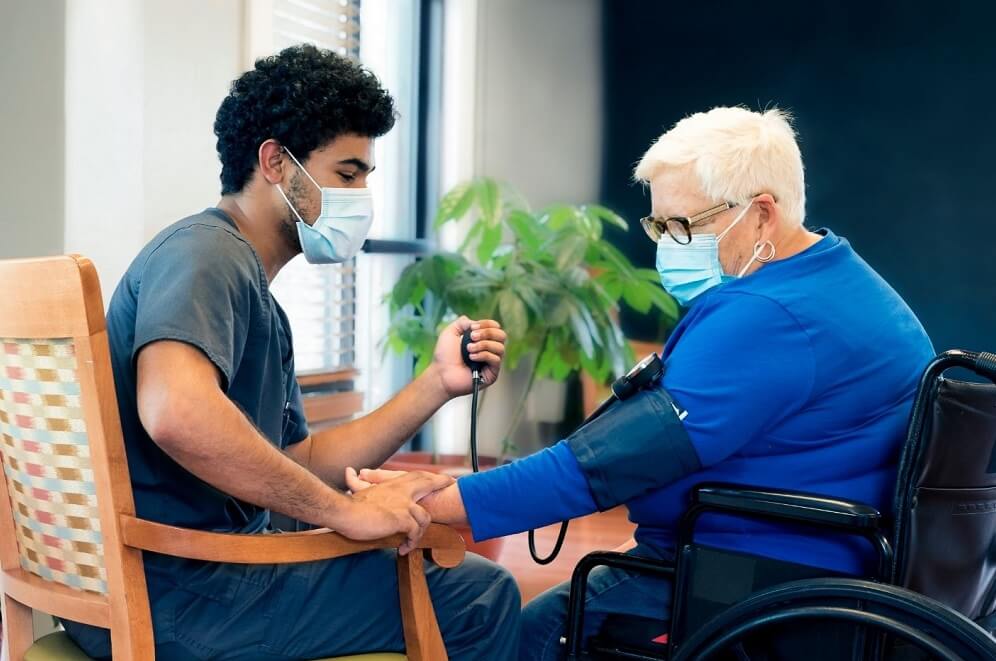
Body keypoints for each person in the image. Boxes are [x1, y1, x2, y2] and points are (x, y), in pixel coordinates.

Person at [348, 106, 935, 660]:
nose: (669, 245)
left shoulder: (771, 316)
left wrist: (440, 501)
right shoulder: (839, 282)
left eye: (686, 225)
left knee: (526, 632)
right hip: (797, 572)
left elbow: (608, 464)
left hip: (747, 582)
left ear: (762, 212)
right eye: (659, 224)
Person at [62, 45, 520, 660]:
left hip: (160, 589)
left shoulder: (247, 287)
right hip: (185, 595)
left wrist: (435, 383)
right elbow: (175, 411)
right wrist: (344, 513)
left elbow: (295, 460)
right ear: (276, 163)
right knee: (479, 596)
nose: (361, 195)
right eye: (347, 174)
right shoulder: (206, 254)